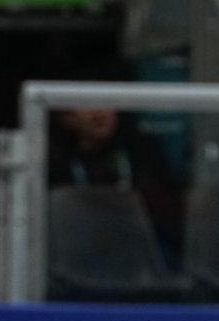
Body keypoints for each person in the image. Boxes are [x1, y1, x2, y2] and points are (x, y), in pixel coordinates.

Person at [50, 106, 186, 266]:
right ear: (67, 118)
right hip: (77, 262)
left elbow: (170, 215)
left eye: (106, 102)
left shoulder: (141, 153)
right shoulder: (54, 163)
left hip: (134, 263)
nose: (99, 111)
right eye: (87, 103)